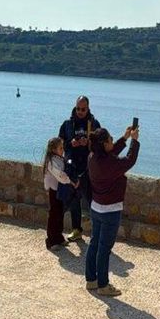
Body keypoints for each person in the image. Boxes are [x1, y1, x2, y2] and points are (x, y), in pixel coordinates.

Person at [85, 126, 140, 297]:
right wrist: (135, 141)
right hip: (110, 211)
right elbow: (129, 161)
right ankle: (103, 285)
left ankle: (91, 280)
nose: (112, 140)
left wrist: (124, 138)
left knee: (94, 243)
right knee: (104, 248)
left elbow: (110, 153)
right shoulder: (109, 163)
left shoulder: (92, 157)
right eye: (110, 139)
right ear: (104, 143)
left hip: (96, 208)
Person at [58, 95, 101, 242]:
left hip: (89, 168)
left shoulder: (94, 124)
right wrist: (71, 143)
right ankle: (76, 229)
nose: (80, 111)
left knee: (91, 200)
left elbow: (100, 145)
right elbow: (60, 144)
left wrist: (88, 142)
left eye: (83, 109)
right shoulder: (67, 124)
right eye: (78, 108)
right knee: (73, 200)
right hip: (72, 167)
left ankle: (97, 231)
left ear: (88, 108)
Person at [42, 137, 79, 250]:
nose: (62, 150)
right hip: (54, 190)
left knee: (59, 214)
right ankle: (51, 241)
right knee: (54, 215)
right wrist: (71, 182)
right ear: (53, 149)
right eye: (60, 148)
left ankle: (59, 238)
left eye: (62, 147)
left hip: (59, 190)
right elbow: (60, 175)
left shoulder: (58, 158)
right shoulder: (51, 162)